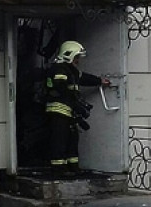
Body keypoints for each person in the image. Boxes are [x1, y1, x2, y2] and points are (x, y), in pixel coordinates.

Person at [45, 41, 110, 174]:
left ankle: (73, 166)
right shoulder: (59, 69)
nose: (78, 60)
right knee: (60, 139)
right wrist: (75, 103)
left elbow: (83, 78)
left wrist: (99, 81)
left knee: (72, 138)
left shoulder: (71, 70)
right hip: (58, 110)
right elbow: (60, 88)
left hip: (69, 110)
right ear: (68, 55)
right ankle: (58, 168)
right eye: (76, 57)